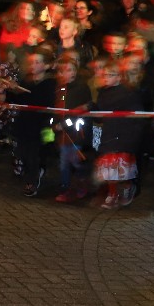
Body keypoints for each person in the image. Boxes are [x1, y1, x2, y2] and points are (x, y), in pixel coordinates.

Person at [92, 58, 145, 209]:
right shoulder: (103, 93)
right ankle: (112, 194)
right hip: (109, 132)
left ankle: (128, 187)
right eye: (105, 74)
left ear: (119, 76)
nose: (106, 78)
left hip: (124, 134)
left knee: (122, 168)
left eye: (111, 74)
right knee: (109, 166)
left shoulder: (128, 93)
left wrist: (133, 135)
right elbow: (101, 115)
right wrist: (91, 108)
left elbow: (137, 115)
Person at [8, 48, 56, 195]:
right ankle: (34, 173)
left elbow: (43, 101)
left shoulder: (50, 83)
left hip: (40, 125)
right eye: (32, 62)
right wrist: (12, 91)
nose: (33, 65)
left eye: (37, 62)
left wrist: (25, 93)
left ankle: (32, 182)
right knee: (21, 152)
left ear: (46, 65)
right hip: (24, 123)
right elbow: (19, 101)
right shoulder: (27, 80)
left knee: (34, 154)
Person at [50, 53, 93, 202]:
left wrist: (62, 125)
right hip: (62, 135)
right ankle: (66, 188)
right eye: (65, 70)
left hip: (76, 133)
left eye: (71, 70)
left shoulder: (81, 88)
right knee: (64, 163)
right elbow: (57, 109)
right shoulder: (60, 89)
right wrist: (53, 124)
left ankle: (80, 184)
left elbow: (77, 113)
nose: (69, 73)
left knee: (75, 161)